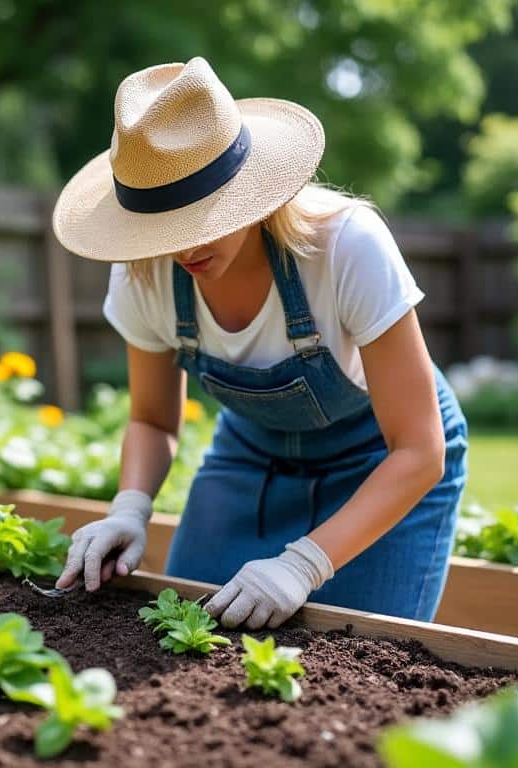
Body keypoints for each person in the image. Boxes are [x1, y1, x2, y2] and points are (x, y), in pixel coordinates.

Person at [50, 57, 467, 630]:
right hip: (251, 453)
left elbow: (419, 450)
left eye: (200, 218)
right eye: (162, 228)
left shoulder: (346, 246)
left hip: (384, 461)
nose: (183, 248)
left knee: (357, 660)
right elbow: (152, 420)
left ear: (246, 190)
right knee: (190, 634)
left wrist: (304, 564)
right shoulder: (143, 275)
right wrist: (129, 507)